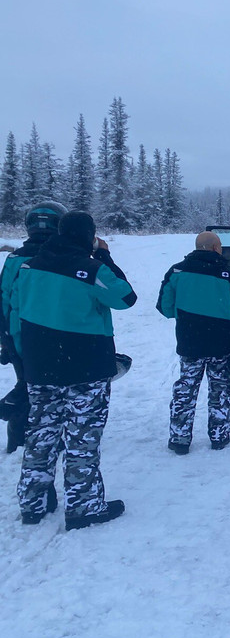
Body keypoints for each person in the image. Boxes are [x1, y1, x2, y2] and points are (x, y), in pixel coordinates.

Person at [12, 211, 136, 529]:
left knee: (41, 433)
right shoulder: (91, 269)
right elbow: (125, 297)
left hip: (40, 366)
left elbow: (19, 308)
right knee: (82, 436)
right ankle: (83, 506)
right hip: (85, 367)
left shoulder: (29, 266)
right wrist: (104, 255)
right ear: (88, 236)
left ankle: (32, 502)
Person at [157, 231, 230, 454]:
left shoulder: (177, 271)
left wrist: (187, 316)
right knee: (220, 389)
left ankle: (179, 439)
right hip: (222, 344)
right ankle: (219, 437)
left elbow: (164, 306)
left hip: (189, 343)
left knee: (186, 388)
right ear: (214, 248)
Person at [1, 201, 67, 456]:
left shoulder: (15, 259)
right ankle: (47, 434)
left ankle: (18, 433)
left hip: (19, 336)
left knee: (26, 381)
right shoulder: (65, 257)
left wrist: (5, 337)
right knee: (54, 389)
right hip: (55, 334)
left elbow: (3, 299)